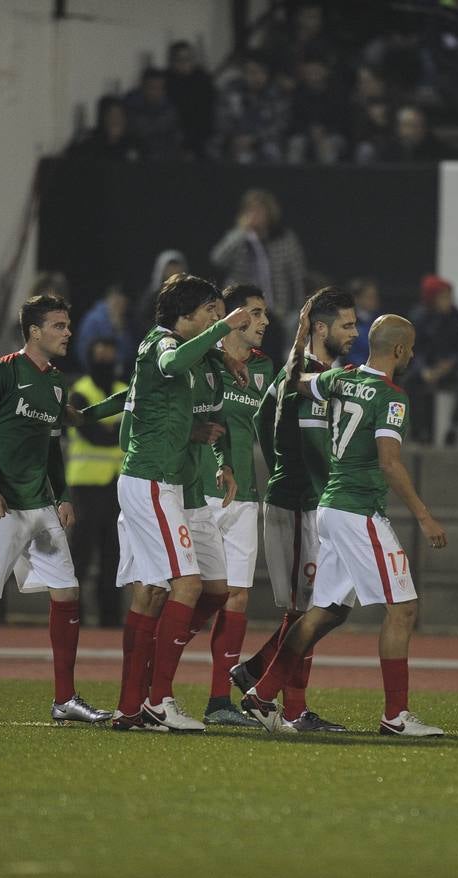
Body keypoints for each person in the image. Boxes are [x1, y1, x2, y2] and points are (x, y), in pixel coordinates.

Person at [240, 308, 448, 738]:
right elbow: (389, 463)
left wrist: (299, 339)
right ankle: (396, 716)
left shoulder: (341, 377)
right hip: (358, 510)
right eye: (408, 351)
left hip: (330, 508)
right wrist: (425, 516)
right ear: (400, 350)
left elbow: (293, 383)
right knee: (403, 608)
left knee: (328, 611)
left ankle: (261, 695)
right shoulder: (391, 396)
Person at [0, 294, 109, 726]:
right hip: (0, 509)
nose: (68, 332)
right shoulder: (0, 373)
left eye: (67, 324)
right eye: (59, 325)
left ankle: (64, 699)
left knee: (68, 592)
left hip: (40, 508)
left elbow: (53, 444)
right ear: (34, 331)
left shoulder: (56, 381)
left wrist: (63, 495)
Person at [108, 274, 251, 732]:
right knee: (182, 586)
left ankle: (132, 705)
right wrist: (220, 334)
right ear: (186, 315)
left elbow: (182, 404)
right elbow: (170, 364)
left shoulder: (196, 354)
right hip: (151, 480)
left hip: (171, 483)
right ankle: (157, 699)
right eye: (210, 311)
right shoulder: (160, 345)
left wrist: (220, 354)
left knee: (184, 590)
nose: (217, 317)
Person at [230, 286, 360, 733]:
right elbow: (297, 440)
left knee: (314, 608)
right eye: (347, 323)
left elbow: (265, 418)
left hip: (305, 500)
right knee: (309, 609)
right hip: (303, 503)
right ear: (320, 328)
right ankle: (287, 707)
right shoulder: (307, 375)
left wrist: (280, 459)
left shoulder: (309, 371)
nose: (354, 332)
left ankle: (258, 675)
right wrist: (291, 470)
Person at [194, 285, 277, 726]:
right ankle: (151, 681)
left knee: (238, 596)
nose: (264, 322)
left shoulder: (265, 369)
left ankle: (218, 702)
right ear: (234, 317)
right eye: (257, 313)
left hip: (244, 497)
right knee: (187, 594)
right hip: (199, 493)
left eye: (266, 315)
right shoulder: (203, 360)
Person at [66, 339, 129, 627]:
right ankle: (72, 615)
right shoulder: (80, 392)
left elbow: (124, 431)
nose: (105, 361)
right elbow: (92, 433)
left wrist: (109, 429)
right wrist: (113, 430)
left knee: (113, 554)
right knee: (81, 552)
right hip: (86, 485)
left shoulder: (122, 391)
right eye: (100, 355)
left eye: (109, 355)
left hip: (117, 486)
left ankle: (110, 617)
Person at [210, 188, 307, 360]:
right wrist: (242, 232)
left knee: (280, 347)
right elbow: (218, 258)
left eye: (260, 211)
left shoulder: (284, 239)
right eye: (251, 211)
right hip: (242, 310)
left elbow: (297, 277)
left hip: (277, 310)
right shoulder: (239, 238)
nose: (255, 216)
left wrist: (299, 307)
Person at [404, 275, 458, 447]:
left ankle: (454, 427)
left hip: (448, 367)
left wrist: (449, 363)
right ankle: (418, 431)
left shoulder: (454, 315)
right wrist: (424, 369)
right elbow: (415, 348)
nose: (448, 301)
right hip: (427, 367)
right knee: (410, 382)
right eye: (444, 297)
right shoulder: (419, 316)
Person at [165, 41, 215, 157]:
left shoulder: (203, 82)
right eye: (179, 60)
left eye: (188, 59)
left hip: (202, 139)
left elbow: (208, 115)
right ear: (172, 62)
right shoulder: (165, 82)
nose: (184, 64)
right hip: (172, 140)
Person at [122, 67, 184, 161]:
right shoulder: (132, 111)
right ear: (143, 88)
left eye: (159, 88)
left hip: (165, 163)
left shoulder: (171, 113)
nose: (155, 93)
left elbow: (176, 140)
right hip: (139, 162)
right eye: (151, 88)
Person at [73, 284, 136, 377]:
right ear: (108, 299)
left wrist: (119, 330)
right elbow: (83, 351)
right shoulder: (93, 319)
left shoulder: (125, 321)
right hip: (93, 375)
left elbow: (130, 354)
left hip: (118, 377)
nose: (120, 305)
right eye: (116, 301)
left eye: (123, 302)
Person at [68, 96, 143, 163]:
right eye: (111, 115)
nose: (115, 120)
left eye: (119, 116)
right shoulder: (90, 145)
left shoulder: (136, 144)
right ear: (103, 119)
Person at [374, 105, 445, 163]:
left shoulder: (438, 151)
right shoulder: (386, 152)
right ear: (398, 128)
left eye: (417, 126)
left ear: (424, 128)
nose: (412, 131)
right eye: (407, 125)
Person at [345, 277, 380, 365]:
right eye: (369, 297)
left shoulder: (381, 319)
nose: (374, 300)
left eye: (375, 296)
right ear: (357, 299)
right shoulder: (347, 323)